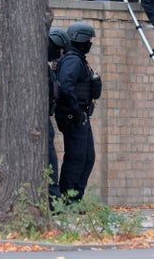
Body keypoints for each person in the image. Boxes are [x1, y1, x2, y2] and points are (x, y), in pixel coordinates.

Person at [54, 22, 102, 202]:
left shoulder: (77, 59)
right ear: (81, 39)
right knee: (76, 158)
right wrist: (76, 111)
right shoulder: (73, 60)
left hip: (79, 115)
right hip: (73, 115)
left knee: (87, 157)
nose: (90, 43)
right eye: (88, 39)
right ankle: (68, 200)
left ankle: (75, 198)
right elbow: (66, 86)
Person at [47, 26, 70, 202]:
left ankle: (52, 197)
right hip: (39, 121)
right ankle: (53, 198)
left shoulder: (45, 66)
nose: (60, 54)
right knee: (49, 158)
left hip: (44, 118)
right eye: (59, 49)